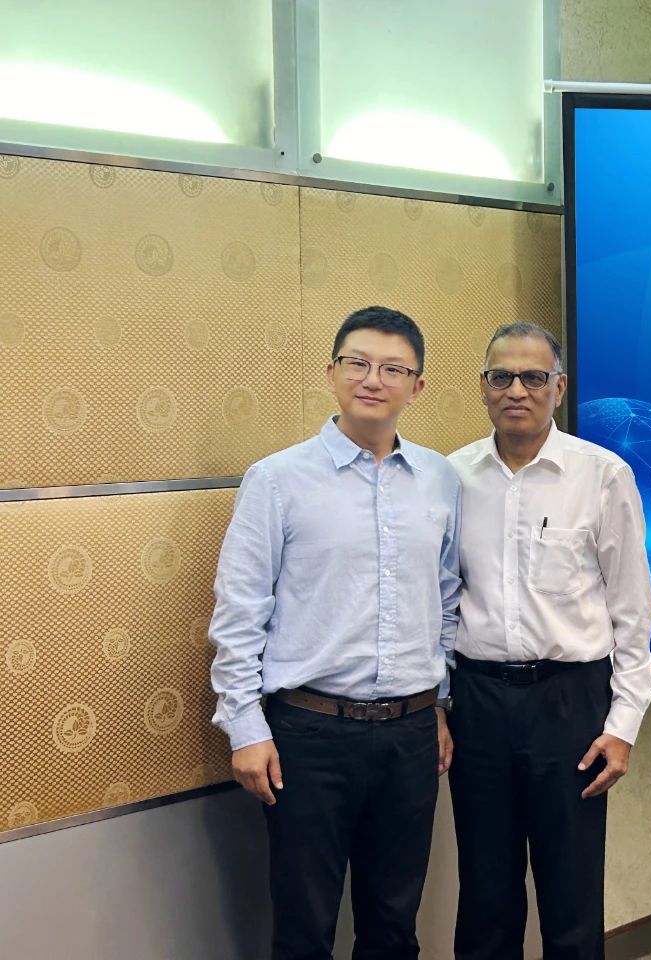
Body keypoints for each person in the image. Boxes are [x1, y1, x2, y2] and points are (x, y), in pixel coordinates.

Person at [209, 305, 461, 960]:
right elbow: (239, 610)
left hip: (411, 735)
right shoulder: (277, 480)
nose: (373, 379)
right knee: (304, 927)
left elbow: (446, 599)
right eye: (358, 363)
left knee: (394, 927)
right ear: (331, 372)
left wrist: (439, 705)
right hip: (309, 735)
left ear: (417, 386)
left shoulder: (440, 480)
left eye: (393, 369)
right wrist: (246, 727)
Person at [447, 321, 651, 960]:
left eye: (534, 377)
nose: (517, 390)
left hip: (569, 704)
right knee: (485, 894)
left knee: (571, 895)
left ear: (559, 388)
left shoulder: (603, 475)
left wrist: (623, 725)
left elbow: (633, 609)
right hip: (478, 702)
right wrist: (438, 705)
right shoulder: (451, 478)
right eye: (501, 377)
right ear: (483, 386)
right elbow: (440, 602)